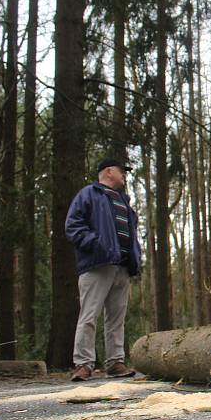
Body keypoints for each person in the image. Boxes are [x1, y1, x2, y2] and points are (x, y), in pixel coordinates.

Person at [65, 158, 142, 381]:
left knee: (116, 318)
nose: (125, 175)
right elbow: (73, 226)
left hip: (123, 267)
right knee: (89, 315)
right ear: (109, 171)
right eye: (122, 171)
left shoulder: (124, 201)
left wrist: (134, 258)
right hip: (97, 265)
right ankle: (83, 364)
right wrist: (97, 245)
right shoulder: (88, 194)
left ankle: (115, 362)